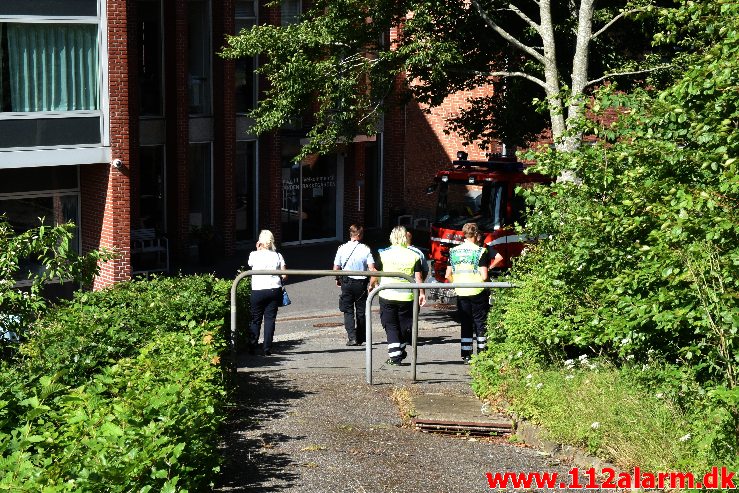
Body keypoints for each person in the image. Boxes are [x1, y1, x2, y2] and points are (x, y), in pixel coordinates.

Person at [371, 226, 426, 366]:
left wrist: (371, 285)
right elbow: (418, 278)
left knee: (390, 325)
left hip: (387, 294)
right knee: (403, 325)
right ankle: (399, 351)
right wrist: (422, 293)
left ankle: (395, 357)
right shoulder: (414, 255)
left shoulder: (384, 253)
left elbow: (375, 273)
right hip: (407, 296)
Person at [445, 222, 490, 364]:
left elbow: (447, 275)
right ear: (476, 234)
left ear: (463, 234)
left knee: (465, 322)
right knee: (480, 322)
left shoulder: (453, 251)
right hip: (478, 290)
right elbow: (484, 276)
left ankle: (466, 355)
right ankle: (482, 353)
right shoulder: (480, 251)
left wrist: (457, 283)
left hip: (461, 290)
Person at [333, 224, 376, 346]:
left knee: (348, 310)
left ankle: (352, 337)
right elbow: (372, 268)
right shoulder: (365, 249)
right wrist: (372, 284)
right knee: (361, 311)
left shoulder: (341, 248)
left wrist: (337, 279)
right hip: (361, 283)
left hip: (346, 282)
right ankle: (362, 336)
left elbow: (336, 268)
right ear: (358, 235)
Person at [247, 229, 287, 356]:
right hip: (273, 290)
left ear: (260, 241)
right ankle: (267, 348)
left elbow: (250, 264)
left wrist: (257, 249)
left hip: (258, 290)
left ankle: (252, 346)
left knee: (255, 319)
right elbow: (285, 275)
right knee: (270, 319)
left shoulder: (253, 255)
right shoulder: (277, 255)